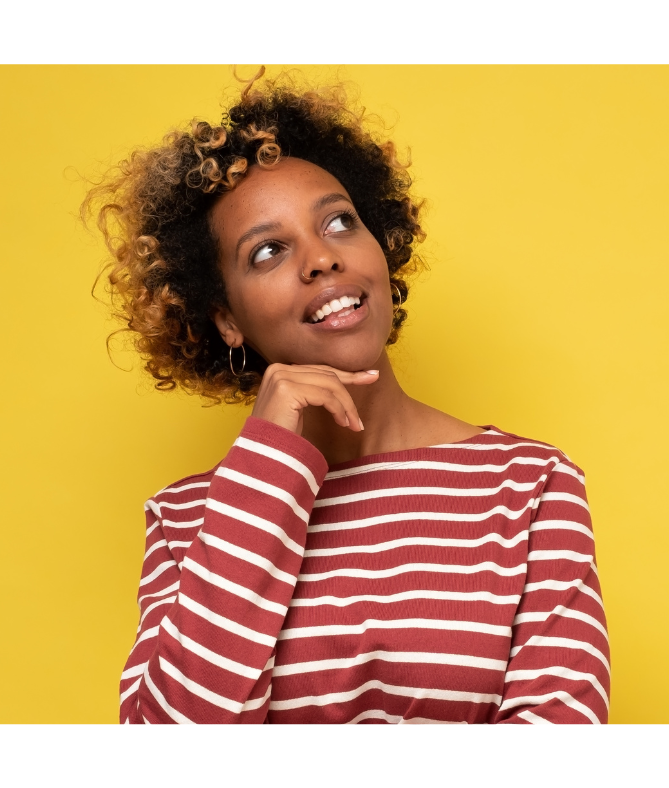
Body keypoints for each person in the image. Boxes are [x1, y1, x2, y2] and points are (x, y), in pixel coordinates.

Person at [83, 72, 610, 724]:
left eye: (338, 222)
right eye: (269, 251)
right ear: (225, 318)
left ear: (381, 248)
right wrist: (269, 463)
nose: (320, 259)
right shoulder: (187, 520)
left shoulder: (532, 486)